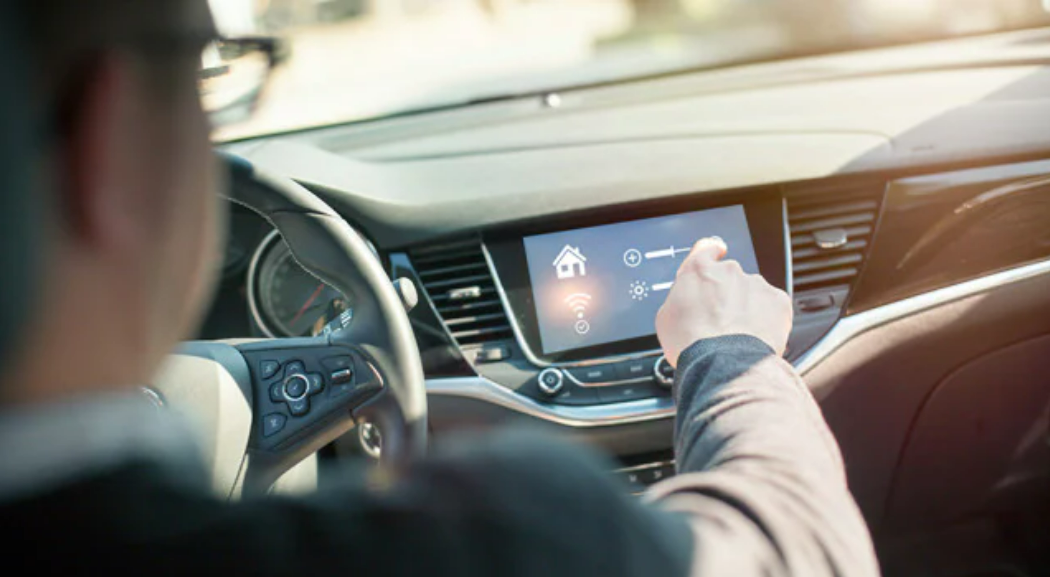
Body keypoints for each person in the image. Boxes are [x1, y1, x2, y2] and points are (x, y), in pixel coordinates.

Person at [0, 1, 879, 575]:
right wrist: (729, 355)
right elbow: (796, 550)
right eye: (208, 77)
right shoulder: (495, 540)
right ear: (110, 146)